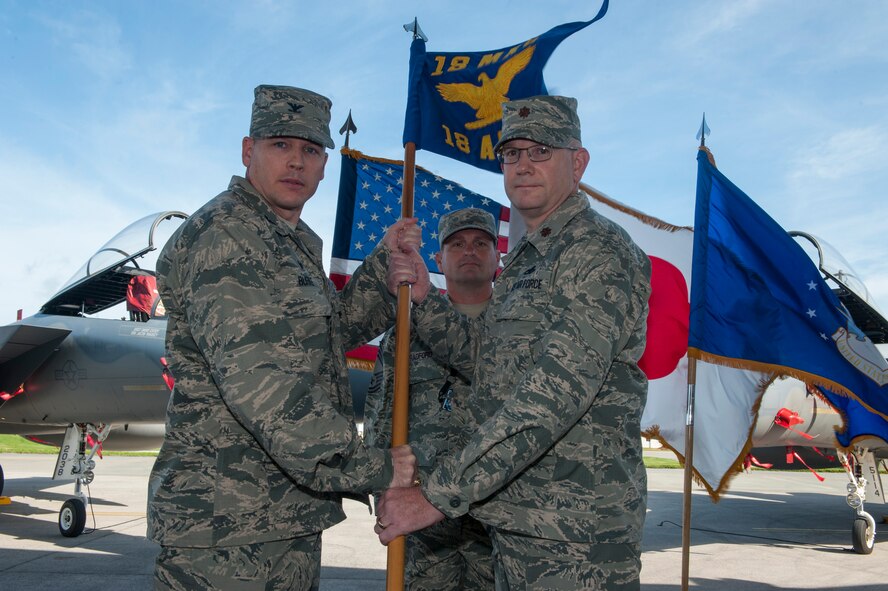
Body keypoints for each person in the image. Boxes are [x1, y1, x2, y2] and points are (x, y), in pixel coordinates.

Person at [147, 84, 416, 591]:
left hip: (274, 516)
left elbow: (326, 335)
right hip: (227, 528)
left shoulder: (282, 239)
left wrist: (384, 264)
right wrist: (370, 466)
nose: (296, 162)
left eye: (311, 150)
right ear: (249, 151)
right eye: (280, 145)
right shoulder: (226, 234)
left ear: (322, 167)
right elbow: (263, 382)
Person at [376, 95, 651, 590]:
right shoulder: (530, 257)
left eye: (541, 151)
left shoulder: (597, 250)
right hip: (521, 525)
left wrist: (436, 494)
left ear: (579, 162)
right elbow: (491, 363)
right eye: (511, 154)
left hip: (574, 537)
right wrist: (425, 298)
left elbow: (553, 392)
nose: (523, 166)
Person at [364, 207, 499, 590]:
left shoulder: (516, 327)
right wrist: (382, 487)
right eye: (456, 244)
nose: (469, 251)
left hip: (497, 516)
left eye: (480, 243)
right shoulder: (407, 328)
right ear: (439, 259)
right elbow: (380, 411)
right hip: (422, 518)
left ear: (497, 256)